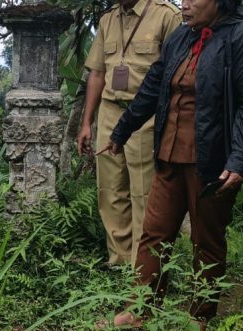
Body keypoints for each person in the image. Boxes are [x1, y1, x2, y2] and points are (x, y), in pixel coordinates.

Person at [97, 0, 243, 331]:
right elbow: (153, 87)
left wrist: (239, 160)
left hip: (213, 163)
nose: (186, 4)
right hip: (169, 155)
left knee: (206, 240)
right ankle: (139, 310)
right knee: (154, 233)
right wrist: (121, 131)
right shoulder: (180, 38)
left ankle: (201, 318)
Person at [76, 0, 182, 267]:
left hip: (147, 115)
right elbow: (98, 73)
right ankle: (119, 259)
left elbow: (178, 72)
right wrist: (87, 122)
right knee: (110, 189)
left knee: (144, 192)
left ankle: (143, 266)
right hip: (111, 111)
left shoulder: (167, 16)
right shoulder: (108, 20)